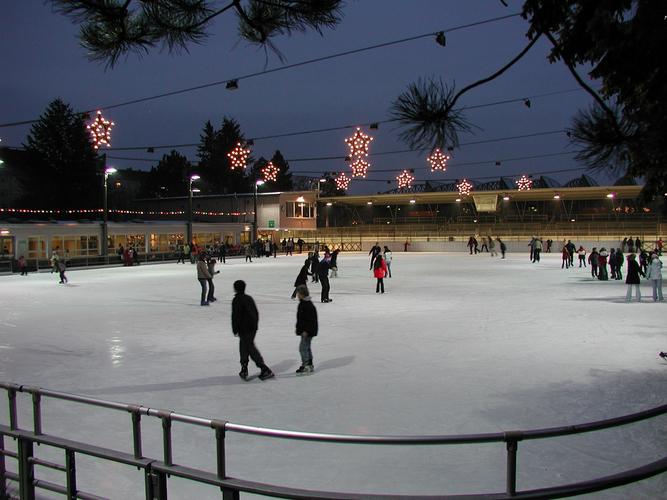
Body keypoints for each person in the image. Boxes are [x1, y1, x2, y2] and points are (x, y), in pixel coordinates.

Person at [231, 280, 274, 381]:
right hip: (251, 327)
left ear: (235, 288)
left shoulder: (237, 300)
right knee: (244, 346)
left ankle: (264, 368)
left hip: (244, 328)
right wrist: (255, 324)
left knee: (249, 348)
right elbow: (256, 312)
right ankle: (244, 367)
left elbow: (236, 316)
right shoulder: (248, 298)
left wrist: (235, 328)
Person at [295, 284, 318, 375]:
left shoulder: (306, 305)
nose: (297, 295)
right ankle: (309, 364)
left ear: (302, 294)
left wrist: (306, 331)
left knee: (303, 348)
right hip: (307, 330)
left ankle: (306, 365)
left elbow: (310, 320)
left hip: (307, 331)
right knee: (306, 347)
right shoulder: (304, 303)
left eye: (298, 294)